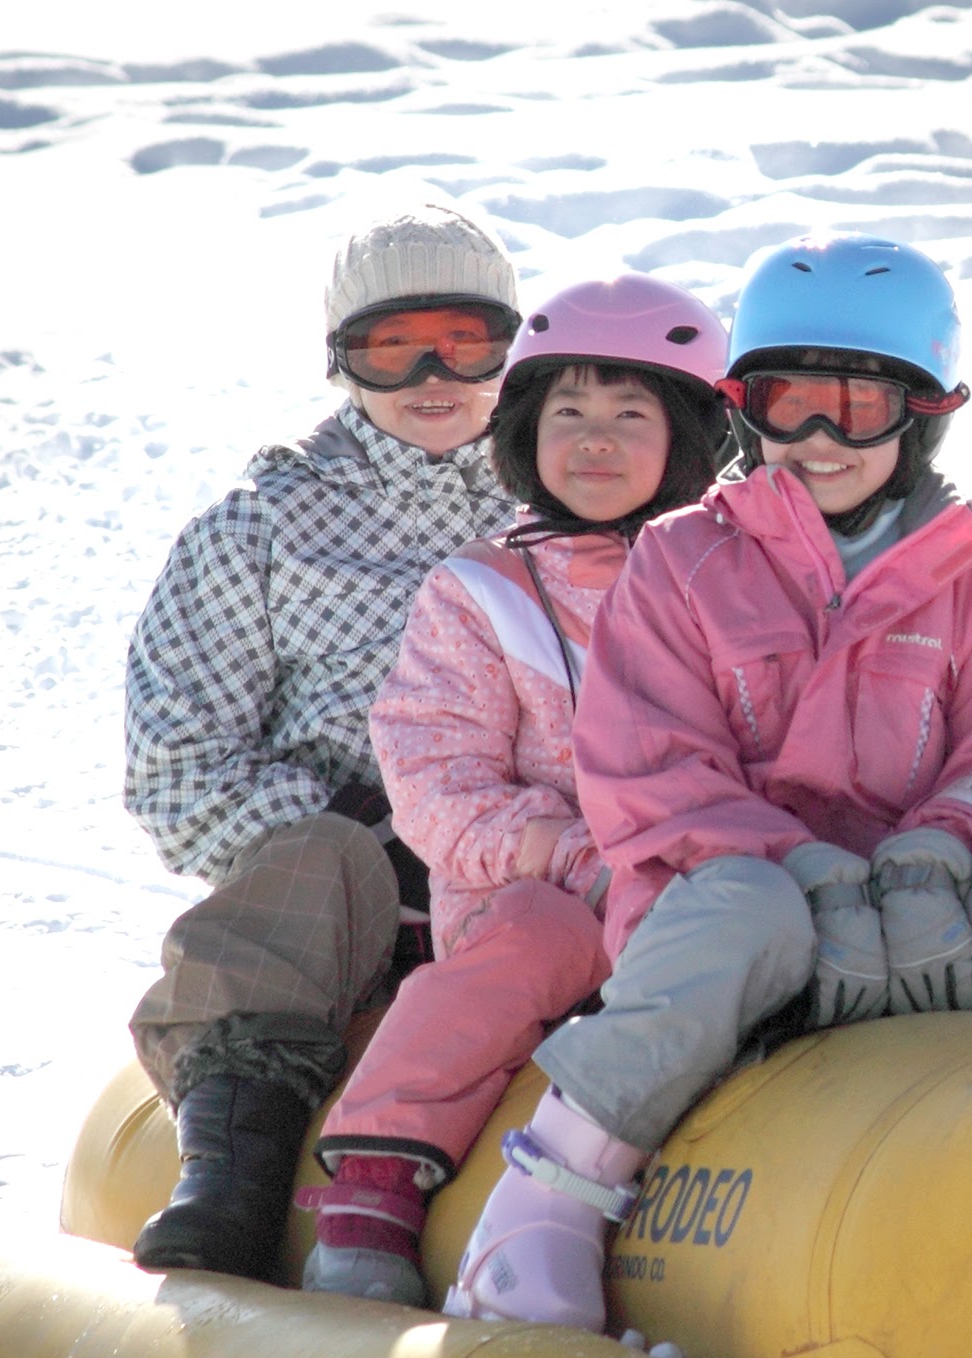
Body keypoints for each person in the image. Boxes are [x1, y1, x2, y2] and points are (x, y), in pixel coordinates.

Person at [442, 233, 972, 1330]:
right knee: (738, 918)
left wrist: (938, 850)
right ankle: (540, 1211)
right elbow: (650, 769)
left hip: (941, 911)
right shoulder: (680, 560)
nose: (814, 438)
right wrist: (798, 862)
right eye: (786, 401)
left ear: (924, 412)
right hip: (753, 907)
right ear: (745, 407)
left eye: (854, 408)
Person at [289, 275, 733, 1305]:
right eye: (567, 412)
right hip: (539, 893)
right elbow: (435, 784)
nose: (595, 441)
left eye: (632, 415)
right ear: (525, 431)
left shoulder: (741, 584)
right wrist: (575, 854)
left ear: (692, 440)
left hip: (701, 894)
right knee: (533, 938)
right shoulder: (481, 592)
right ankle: (375, 1177)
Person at [122, 202, 519, 1280]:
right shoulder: (265, 523)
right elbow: (176, 767)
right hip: (350, 887)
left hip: (533, 846)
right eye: (391, 347)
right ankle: (234, 1177)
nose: (433, 372)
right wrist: (358, 835)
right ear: (341, 364)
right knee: (317, 862)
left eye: (465, 338)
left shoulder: (573, 489)